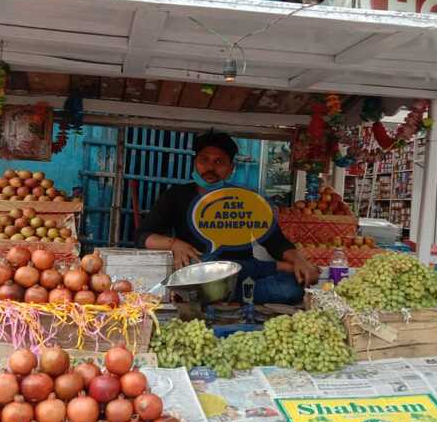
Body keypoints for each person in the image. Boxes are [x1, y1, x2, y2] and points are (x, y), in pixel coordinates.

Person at [135, 130, 318, 304]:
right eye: (204, 160)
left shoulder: (246, 200)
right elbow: (142, 236)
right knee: (205, 263)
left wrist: (299, 261)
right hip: (200, 271)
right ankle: (225, 295)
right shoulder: (177, 195)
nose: (210, 168)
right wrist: (174, 244)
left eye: (219, 162)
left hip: (242, 272)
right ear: (195, 163)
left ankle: (220, 296)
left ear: (231, 168)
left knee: (291, 287)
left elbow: (275, 241)